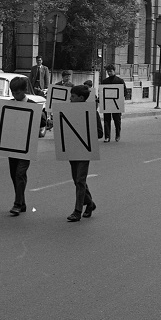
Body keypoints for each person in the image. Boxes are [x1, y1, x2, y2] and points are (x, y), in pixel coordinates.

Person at [65, 84, 97, 222]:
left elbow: (99, 133)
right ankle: (90, 203)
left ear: (81, 98)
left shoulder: (91, 112)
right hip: (72, 150)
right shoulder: (67, 111)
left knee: (80, 180)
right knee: (76, 179)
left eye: (72, 96)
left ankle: (77, 211)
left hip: (84, 150)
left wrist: (85, 132)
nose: (70, 99)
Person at [7, 75, 36, 216]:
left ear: (24, 90)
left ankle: (17, 203)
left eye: (17, 92)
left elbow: (41, 123)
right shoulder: (9, 104)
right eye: (12, 92)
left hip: (26, 146)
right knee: (14, 174)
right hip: (12, 145)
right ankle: (22, 202)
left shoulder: (32, 104)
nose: (15, 95)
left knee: (20, 173)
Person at [100, 64, 126, 141]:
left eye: (110, 71)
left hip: (116, 104)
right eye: (108, 71)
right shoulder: (105, 81)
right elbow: (102, 92)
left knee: (117, 121)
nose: (109, 73)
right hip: (107, 103)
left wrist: (120, 99)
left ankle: (117, 135)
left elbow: (125, 92)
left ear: (114, 71)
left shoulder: (120, 81)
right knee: (106, 120)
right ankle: (107, 137)